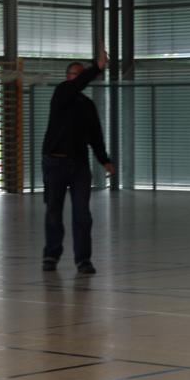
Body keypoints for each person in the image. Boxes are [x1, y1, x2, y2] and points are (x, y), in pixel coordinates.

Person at [41, 47, 114, 274]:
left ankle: (83, 259)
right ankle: (51, 254)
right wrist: (97, 67)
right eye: (75, 75)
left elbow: (95, 136)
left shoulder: (87, 105)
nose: (79, 79)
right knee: (54, 211)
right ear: (68, 77)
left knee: (82, 214)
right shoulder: (61, 93)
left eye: (81, 75)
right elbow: (77, 84)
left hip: (79, 166)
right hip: (55, 163)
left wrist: (104, 160)